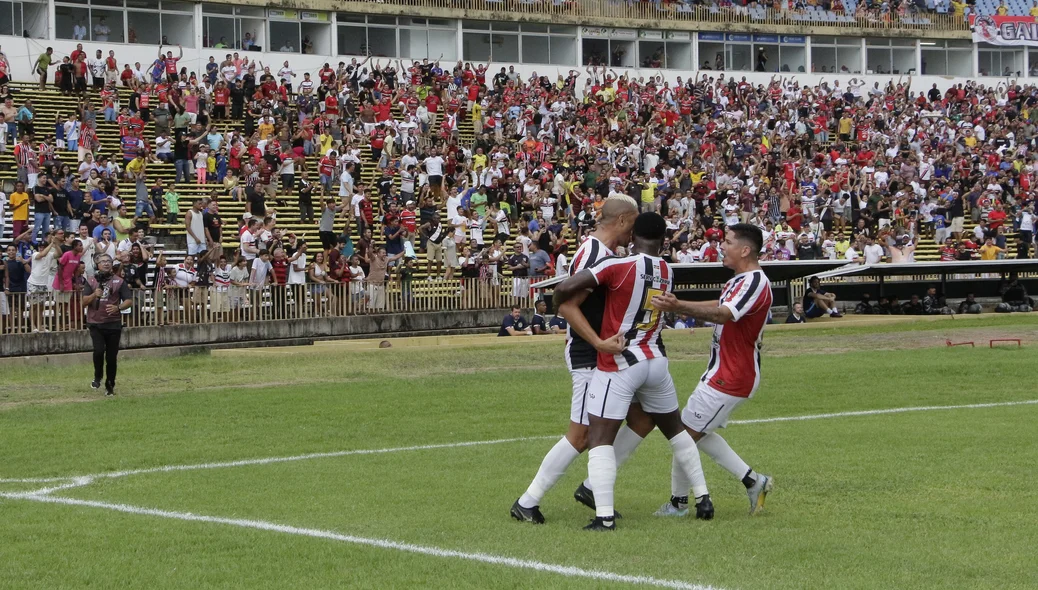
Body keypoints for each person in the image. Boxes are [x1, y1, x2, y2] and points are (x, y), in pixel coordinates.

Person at [551, 212, 713, 531]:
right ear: (664, 240)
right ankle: (704, 497)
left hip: (623, 359)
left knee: (599, 437)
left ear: (634, 233)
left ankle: (605, 516)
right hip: (656, 358)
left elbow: (568, 288)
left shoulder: (619, 264)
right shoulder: (667, 270)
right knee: (674, 429)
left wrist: (560, 300)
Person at [511, 196, 652, 525]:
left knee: (645, 418)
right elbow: (567, 306)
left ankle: (591, 486)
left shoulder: (605, 253)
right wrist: (599, 342)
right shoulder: (592, 253)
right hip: (588, 354)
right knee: (582, 435)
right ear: (620, 221)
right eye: (632, 224)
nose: (634, 232)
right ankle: (527, 501)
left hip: (605, 353)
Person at [649, 223, 774, 517]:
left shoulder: (754, 281)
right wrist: (680, 306)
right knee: (694, 432)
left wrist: (680, 305)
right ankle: (753, 481)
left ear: (745, 250)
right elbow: (720, 304)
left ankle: (679, 504)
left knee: (684, 434)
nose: (722, 245)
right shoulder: (740, 280)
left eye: (728, 242)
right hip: (722, 370)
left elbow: (723, 313)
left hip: (732, 375)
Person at [81, 254, 132, 396]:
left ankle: (110, 385)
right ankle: (98, 376)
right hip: (95, 323)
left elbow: (128, 300)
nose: (106, 264)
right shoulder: (91, 281)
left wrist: (118, 307)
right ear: (97, 264)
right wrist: (93, 295)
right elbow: (83, 302)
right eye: (103, 261)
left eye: (108, 261)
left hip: (113, 324)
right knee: (98, 351)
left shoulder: (119, 281)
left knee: (111, 356)